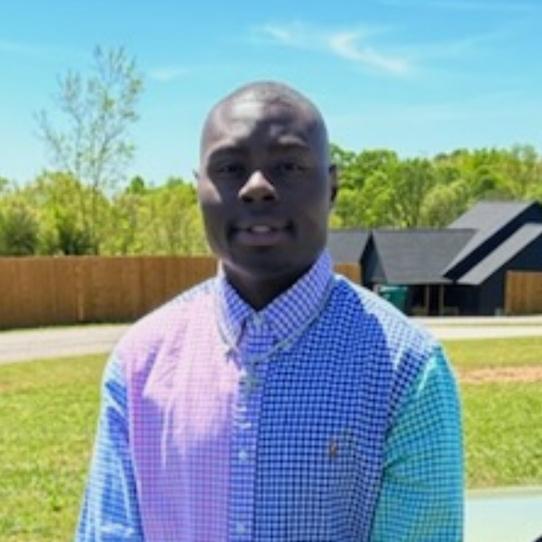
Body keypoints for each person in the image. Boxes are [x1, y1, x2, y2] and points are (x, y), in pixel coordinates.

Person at [76, 81, 463, 541]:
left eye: (289, 166)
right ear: (198, 188)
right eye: (229, 167)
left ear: (332, 187)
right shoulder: (139, 364)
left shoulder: (407, 369)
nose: (257, 186)